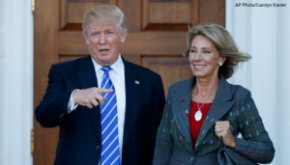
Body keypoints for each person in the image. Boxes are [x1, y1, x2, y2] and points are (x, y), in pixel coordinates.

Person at [35, 4, 165, 165]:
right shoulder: (65, 73)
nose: (102, 41)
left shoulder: (149, 81)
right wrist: (74, 97)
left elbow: (159, 139)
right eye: (95, 34)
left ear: (123, 35)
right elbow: (43, 116)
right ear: (86, 39)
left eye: (109, 33)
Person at [153, 24, 275, 165]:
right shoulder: (176, 91)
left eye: (206, 52)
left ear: (221, 59)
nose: (197, 58)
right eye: (193, 51)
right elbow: (163, 145)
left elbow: (267, 152)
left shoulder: (239, 97)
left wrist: (233, 141)